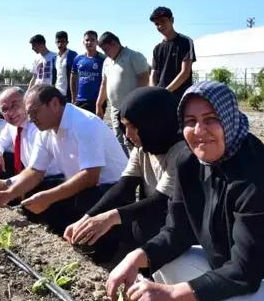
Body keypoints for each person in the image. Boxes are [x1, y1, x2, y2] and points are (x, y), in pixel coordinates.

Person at [106, 81, 264, 301]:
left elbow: (245, 273)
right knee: (165, 264)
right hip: (240, 265)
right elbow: (176, 232)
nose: (199, 131)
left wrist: (172, 294)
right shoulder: (188, 162)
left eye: (211, 119)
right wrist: (134, 258)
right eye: (190, 121)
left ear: (229, 120)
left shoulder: (258, 177)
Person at [0, 85, 127, 247]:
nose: (31, 118)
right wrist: (9, 193)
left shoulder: (84, 123)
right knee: (39, 189)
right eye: (29, 114)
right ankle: (62, 238)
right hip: (86, 186)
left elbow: (90, 176)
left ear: (54, 104)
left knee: (73, 199)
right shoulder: (45, 130)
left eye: (34, 112)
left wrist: (48, 197)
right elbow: (34, 171)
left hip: (112, 190)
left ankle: (104, 246)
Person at [63, 87, 184, 264]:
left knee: (143, 224)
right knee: (117, 216)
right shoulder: (143, 148)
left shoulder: (180, 153)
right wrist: (88, 218)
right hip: (157, 217)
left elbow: (160, 201)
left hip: (178, 225)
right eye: (125, 126)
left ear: (154, 124)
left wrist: (109, 218)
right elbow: (124, 186)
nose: (127, 135)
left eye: (133, 127)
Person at [0, 86, 53, 195]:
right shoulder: (11, 126)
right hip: (30, 173)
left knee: (32, 191)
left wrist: (7, 183)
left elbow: (37, 172)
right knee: (2, 159)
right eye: (5, 109)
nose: (11, 112)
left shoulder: (38, 127)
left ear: (26, 102)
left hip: (48, 178)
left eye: (15, 105)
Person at [95, 31, 150, 155]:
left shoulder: (134, 56)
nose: (105, 53)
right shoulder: (107, 62)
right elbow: (104, 84)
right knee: (119, 140)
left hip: (132, 109)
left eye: (106, 49)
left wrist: (136, 102)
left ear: (114, 43)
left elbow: (144, 78)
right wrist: (99, 104)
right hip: (115, 109)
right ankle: (125, 167)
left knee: (132, 140)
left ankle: (139, 168)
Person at [150, 6, 197, 100]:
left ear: (172, 20)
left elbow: (185, 73)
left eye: (163, 21)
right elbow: (153, 74)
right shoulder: (157, 48)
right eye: (157, 24)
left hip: (180, 98)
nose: (160, 26)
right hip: (161, 98)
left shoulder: (185, 42)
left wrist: (165, 92)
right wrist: (153, 92)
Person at [70, 30, 106, 114]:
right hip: (80, 100)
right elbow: (73, 78)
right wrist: (73, 96)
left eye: (92, 40)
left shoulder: (103, 59)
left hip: (97, 101)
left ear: (97, 42)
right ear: (83, 42)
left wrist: (101, 101)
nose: (89, 42)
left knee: (96, 126)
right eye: (87, 40)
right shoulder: (78, 59)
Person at [53, 31, 78, 102]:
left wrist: (74, 95)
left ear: (67, 42)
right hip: (57, 93)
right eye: (58, 42)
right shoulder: (54, 58)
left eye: (62, 42)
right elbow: (54, 76)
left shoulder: (73, 55)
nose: (60, 44)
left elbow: (76, 76)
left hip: (69, 94)